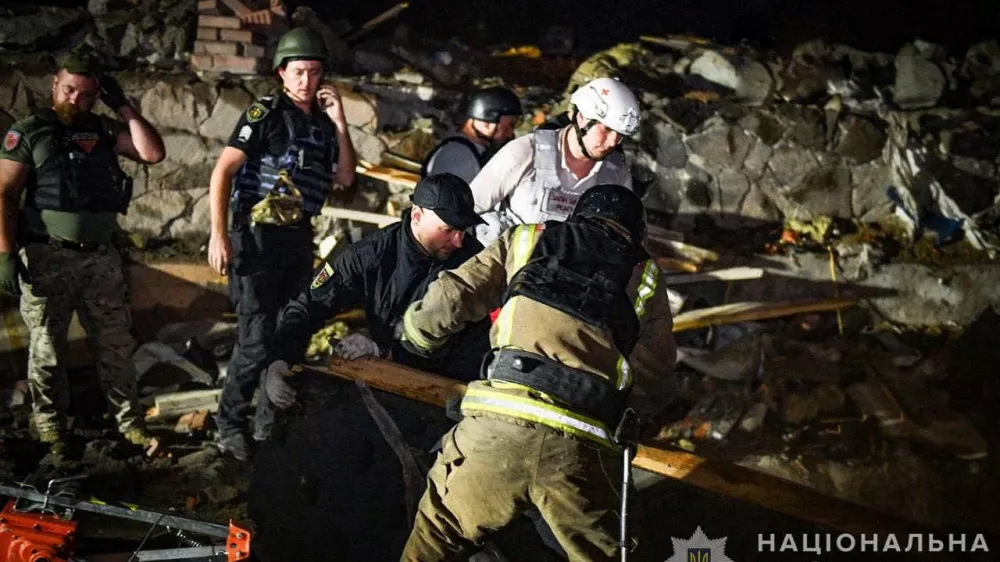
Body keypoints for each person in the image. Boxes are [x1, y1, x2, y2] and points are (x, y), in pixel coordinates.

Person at [395, 183, 677, 561]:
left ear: (578, 218)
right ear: (634, 234)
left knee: (436, 537)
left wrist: (417, 339)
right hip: (581, 446)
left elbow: (454, 295)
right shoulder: (645, 278)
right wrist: (629, 416)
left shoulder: (529, 238)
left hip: (496, 427)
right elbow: (655, 375)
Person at [0, 52, 166, 456]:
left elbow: (152, 153)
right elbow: (3, 194)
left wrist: (123, 105)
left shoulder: (104, 131)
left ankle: (130, 426)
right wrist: (4, 254)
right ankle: (52, 430)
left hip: (100, 259)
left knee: (115, 347)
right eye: (69, 89)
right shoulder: (30, 132)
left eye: (87, 95)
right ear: (55, 86)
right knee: (48, 352)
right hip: (46, 257)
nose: (75, 100)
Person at [206, 27, 357, 461]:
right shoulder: (266, 113)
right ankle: (229, 424)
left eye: (314, 72)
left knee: (288, 336)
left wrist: (341, 122)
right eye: (299, 72)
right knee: (254, 339)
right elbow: (223, 172)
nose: (307, 81)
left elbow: (345, 178)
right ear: (282, 74)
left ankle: (267, 429)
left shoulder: (324, 126)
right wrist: (218, 235)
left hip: (296, 238)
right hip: (255, 239)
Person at [260, 173, 489, 415]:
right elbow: (308, 305)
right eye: (448, 230)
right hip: (387, 381)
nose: (458, 241)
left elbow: (468, 339)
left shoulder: (475, 262)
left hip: (456, 391)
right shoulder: (371, 255)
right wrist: (279, 361)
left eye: (463, 230)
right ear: (417, 216)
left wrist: (382, 347)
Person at [470, 77, 640, 246]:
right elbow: (468, 207)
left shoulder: (616, 173)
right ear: (582, 118)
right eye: (607, 129)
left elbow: (624, 240)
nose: (612, 142)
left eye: (620, 135)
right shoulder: (525, 152)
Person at [421, 86, 522, 183]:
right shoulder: (457, 156)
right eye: (508, 127)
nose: (510, 134)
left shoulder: (474, 152)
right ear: (487, 123)